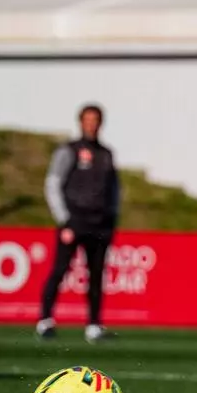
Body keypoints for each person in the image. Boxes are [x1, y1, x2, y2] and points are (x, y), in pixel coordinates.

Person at [36, 104, 121, 344]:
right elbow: (53, 183)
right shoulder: (69, 150)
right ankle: (45, 320)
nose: (92, 124)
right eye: (88, 119)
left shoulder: (106, 154)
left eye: (96, 120)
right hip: (74, 222)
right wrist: (64, 219)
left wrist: (112, 216)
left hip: (100, 224)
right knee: (60, 270)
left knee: (97, 275)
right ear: (81, 122)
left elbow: (114, 188)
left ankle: (93, 325)